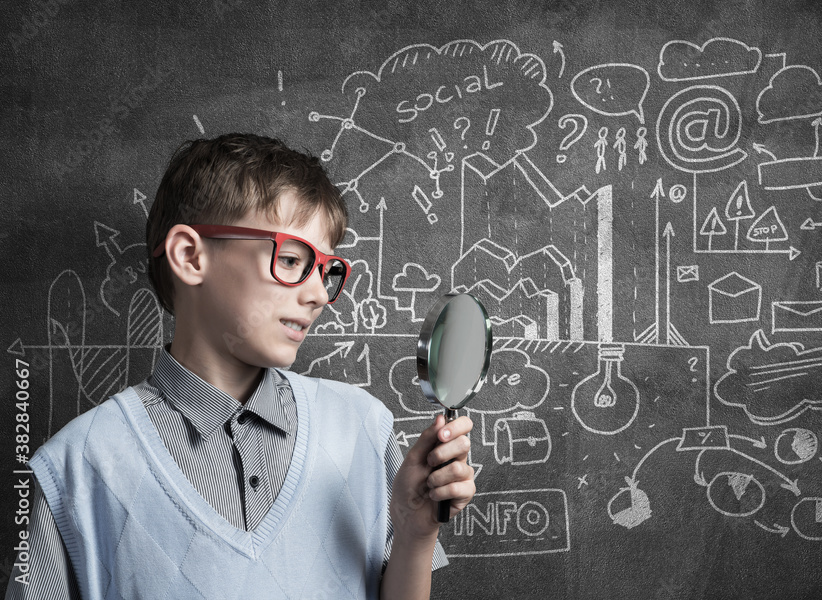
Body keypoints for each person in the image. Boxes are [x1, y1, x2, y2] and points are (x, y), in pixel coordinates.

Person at [5, 133, 475, 600]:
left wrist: (416, 531)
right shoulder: (79, 467)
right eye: (292, 259)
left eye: (326, 271)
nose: (316, 295)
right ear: (190, 256)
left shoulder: (363, 428)